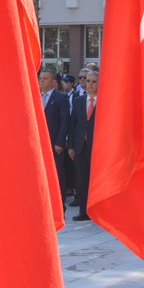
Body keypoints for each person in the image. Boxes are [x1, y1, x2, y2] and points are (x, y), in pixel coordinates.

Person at [68, 71, 99, 220]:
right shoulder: (78, 101)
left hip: (97, 147)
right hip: (81, 146)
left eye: (94, 81)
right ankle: (83, 210)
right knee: (81, 179)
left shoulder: (105, 101)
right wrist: (71, 146)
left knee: (96, 179)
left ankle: (97, 210)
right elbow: (73, 125)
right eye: (88, 81)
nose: (90, 84)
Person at [40, 68, 70, 198]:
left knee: (57, 173)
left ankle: (60, 203)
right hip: (39, 142)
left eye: (45, 79)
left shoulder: (61, 98)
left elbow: (65, 122)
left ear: (53, 82)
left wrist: (60, 142)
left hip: (54, 143)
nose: (41, 81)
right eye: (41, 78)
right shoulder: (36, 95)